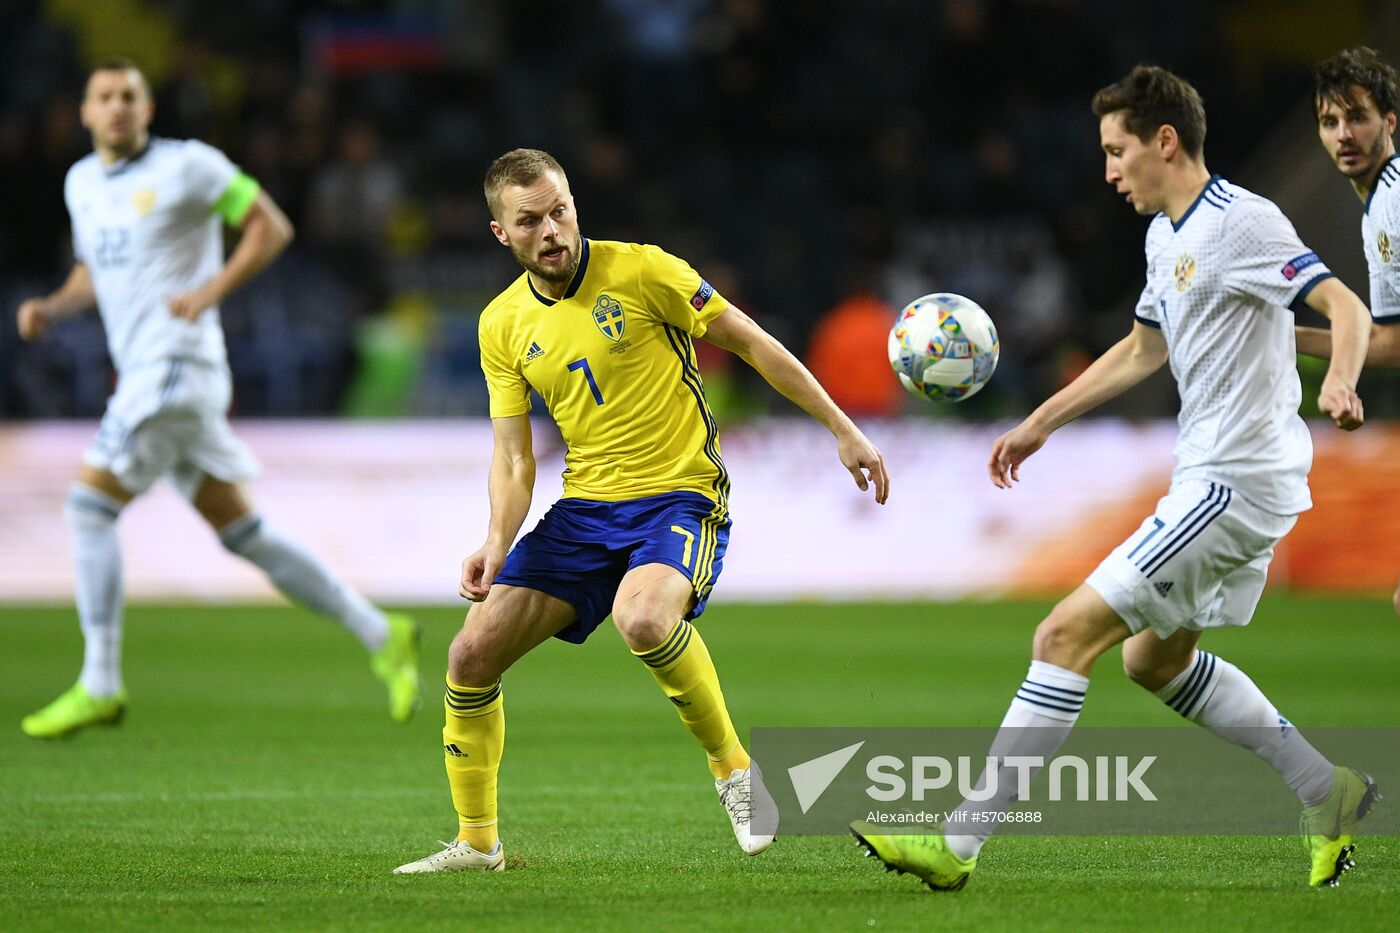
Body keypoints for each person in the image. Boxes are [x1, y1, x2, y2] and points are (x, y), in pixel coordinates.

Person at [852, 65, 1378, 890]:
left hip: (1235, 482)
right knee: (1152, 662)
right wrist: (1040, 423)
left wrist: (1341, 378)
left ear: (1164, 142)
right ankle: (1327, 789)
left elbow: (1344, 305)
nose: (1108, 171)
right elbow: (1143, 348)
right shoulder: (1164, 237)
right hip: (1214, 477)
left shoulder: (1243, 222)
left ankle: (955, 845)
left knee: (1062, 635)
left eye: (1116, 150)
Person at [393, 148, 889, 873]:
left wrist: (842, 428)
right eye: (529, 221)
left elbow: (748, 341)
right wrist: (496, 540)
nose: (552, 230)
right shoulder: (500, 324)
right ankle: (477, 842)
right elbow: (515, 458)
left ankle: (735, 773)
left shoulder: (646, 270)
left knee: (645, 617)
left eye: (559, 209)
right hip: (586, 508)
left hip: (679, 493)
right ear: (502, 234)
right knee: (468, 655)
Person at [15, 60, 420, 738]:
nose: (118, 108)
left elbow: (271, 226)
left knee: (88, 507)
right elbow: (95, 267)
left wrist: (210, 292)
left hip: (177, 364)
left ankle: (101, 682)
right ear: (84, 112)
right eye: (104, 97)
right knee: (244, 532)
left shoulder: (189, 167)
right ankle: (383, 631)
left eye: (130, 97)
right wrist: (53, 306)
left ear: (149, 110)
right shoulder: (81, 183)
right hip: (152, 374)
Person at [1299, 46, 1400, 614]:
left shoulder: (1392, 204)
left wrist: (1280, 335)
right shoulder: (1381, 205)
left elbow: (1387, 344)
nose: (1343, 134)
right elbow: (1389, 342)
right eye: (1329, 122)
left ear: (1389, 121)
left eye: (1357, 117)